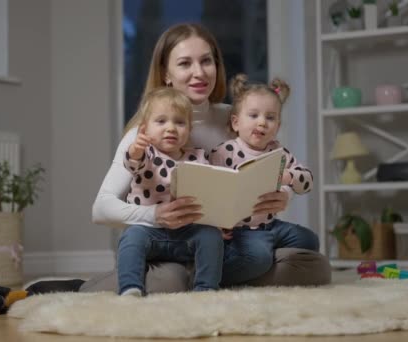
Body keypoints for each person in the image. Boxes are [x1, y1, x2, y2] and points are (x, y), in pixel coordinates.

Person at [25, 23, 331, 295]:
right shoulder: (144, 134)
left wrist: (284, 195)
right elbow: (101, 208)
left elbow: (275, 166)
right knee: (170, 279)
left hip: (229, 244)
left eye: (206, 61)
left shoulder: (236, 118)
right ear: (166, 74)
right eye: (185, 63)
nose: (199, 73)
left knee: (313, 264)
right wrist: (156, 216)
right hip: (170, 246)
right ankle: (92, 287)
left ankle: (208, 278)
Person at [209, 74, 318, 285]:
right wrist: (217, 225)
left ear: (277, 126)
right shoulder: (225, 152)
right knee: (258, 258)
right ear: (236, 122)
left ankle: (264, 260)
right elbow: (212, 190)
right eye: (253, 115)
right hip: (241, 232)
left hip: (271, 225)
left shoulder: (278, 152)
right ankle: (215, 276)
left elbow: (307, 181)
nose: (262, 123)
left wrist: (288, 177)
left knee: (309, 240)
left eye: (270, 118)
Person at [117, 87, 223, 296]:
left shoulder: (198, 157)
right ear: (145, 129)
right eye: (161, 121)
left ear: (189, 128)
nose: (171, 128)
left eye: (180, 122)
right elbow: (132, 164)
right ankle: (130, 287)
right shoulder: (145, 154)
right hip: (150, 229)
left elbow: (210, 194)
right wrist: (135, 150)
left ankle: (206, 289)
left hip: (187, 232)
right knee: (131, 237)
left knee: (211, 236)